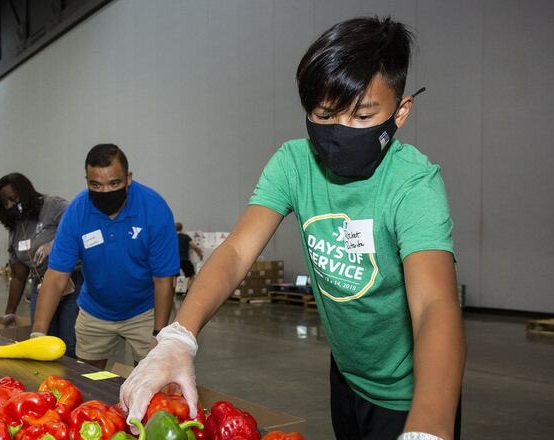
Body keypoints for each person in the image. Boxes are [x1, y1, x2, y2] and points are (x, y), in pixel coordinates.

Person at [120, 17, 464, 440]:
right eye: (324, 114)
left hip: (414, 392)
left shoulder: (413, 184)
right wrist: (179, 336)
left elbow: (435, 304)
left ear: (401, 111)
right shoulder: (294, 164)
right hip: (348, 377)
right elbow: (236, 252)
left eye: (362, 116)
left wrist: (429, 427)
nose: (340, 130)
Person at [32, 144, 179, 369]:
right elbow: (56, 276)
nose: (105, 192)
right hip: (95, 310)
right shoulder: (78, 211)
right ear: (87, 181)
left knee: (153, 378)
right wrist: (38, 333)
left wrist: (158, 334)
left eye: (114, 183)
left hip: (145, 310)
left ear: (128, 178)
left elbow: (164, 280)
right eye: (96, 185)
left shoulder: (153, 208)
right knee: (87, 380)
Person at [0, 172, 82, 358]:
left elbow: (78, 225)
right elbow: (19, 276)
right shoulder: (16, 227)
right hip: (40, 284)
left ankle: (72, 381)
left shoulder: (53, 205)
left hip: (71, 281)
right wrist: (9, 312)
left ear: (25, 192)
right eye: (5, 202)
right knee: (40, 338)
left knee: (69, 340)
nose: (10, 205)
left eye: (12, 198)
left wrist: (55, 244)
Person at [175, 222, 203, 291]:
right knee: (192, 275)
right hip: (184, 259)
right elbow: (194, 246)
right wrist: (200, 254)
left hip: (174, 261)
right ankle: (187, 292)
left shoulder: (171, 237)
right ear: (181, 228)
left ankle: (172, 293)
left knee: (173, 277)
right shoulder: (185, 237)